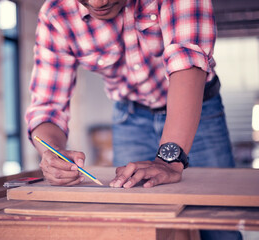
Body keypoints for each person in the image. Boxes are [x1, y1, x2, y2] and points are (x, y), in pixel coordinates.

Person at [25, 0, 242, 239]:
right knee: (130, 223)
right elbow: (47, 106)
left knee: (220, 225)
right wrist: (52, 151)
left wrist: (170, 158)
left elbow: (187, 60)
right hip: (129, 118)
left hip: (200, 110)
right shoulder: (56, 14)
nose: (99, 3)